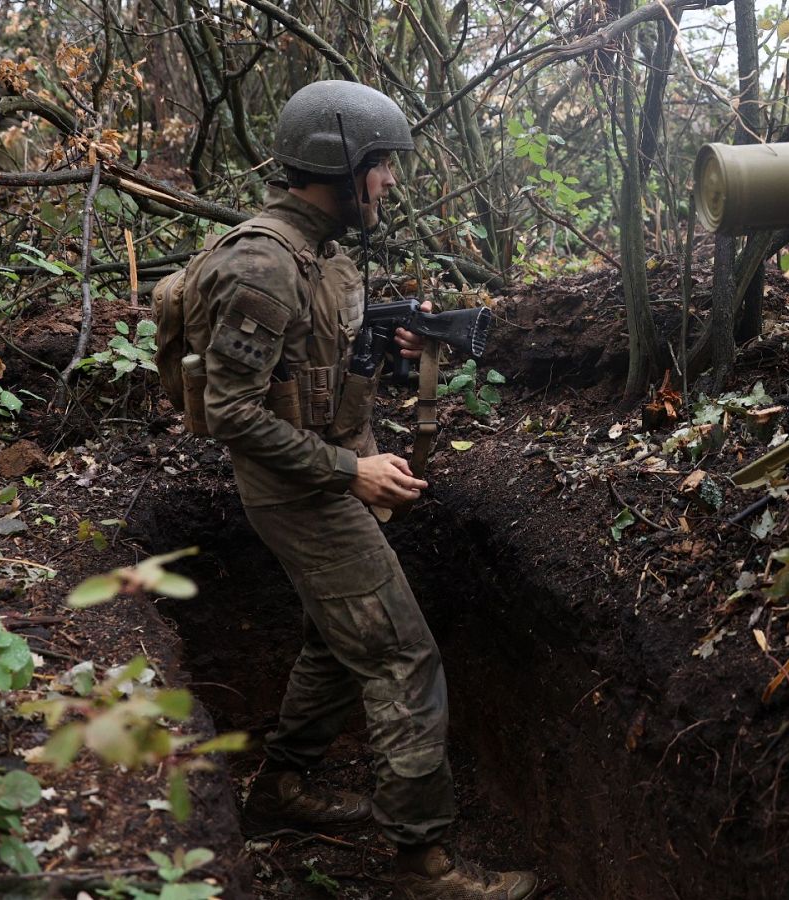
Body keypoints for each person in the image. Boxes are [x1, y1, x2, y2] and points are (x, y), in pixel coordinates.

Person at [195, 80, 536, 900]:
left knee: (336, 637)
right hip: (299, 491)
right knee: (401, 657)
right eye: (379, 166)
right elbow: (230, 412)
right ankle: (424, 863)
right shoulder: (263, 263)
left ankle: (281, 788)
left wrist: (390, 345)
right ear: (339, 166)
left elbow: (309, 373)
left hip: (317, 477)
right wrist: (354, 471)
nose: (388, 182)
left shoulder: (321, 254)